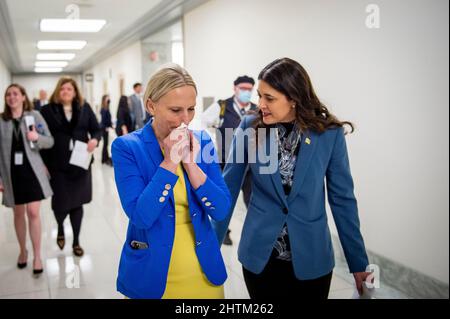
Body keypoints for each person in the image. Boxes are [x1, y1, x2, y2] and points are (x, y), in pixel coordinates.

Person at [213, 58, 371, 299]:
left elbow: (343, 200)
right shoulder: (250, 128)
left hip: (312, 258)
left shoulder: (328, 134)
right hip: (261, 258)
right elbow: (229, 188)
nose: (260, 104)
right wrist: (210, 245)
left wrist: (358, 261)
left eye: (270, 98)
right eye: (260, 95)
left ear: (294, 99)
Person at [112, 64, 231, 299]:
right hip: (153, 273)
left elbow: (221, 209)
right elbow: (141, 216)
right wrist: (169, 163)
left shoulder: (202, 142)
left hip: (202, 271)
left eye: (191, 109)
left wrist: (190, 164)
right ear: (151, 106)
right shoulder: (127, 148)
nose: (185, 119)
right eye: (176, 110)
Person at [40, 77, 102, 257]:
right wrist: (42, 163)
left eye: (69, 89)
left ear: (75, 92)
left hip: (80, 164)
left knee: (77, 203)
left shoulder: (84, 108)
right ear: (58, 92)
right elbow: (42, 137)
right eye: (63, 89)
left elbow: (96, 130)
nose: (66, 91)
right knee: (60, 205)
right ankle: (60, 227)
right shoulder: (47, 111)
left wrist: (94, 140)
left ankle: (76, 241)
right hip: (57, 165)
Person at [0, 84, 54, 275]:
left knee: (33, 212)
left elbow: (50, 141)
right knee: (18, 213)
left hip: (31, 172)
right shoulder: (2, 120)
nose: (12, 97)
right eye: (8, 94)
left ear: (23, 97)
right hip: (11, 174)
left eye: (15, 94)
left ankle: (37, 256)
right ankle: (23, 250)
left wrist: (36, 137)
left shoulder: (34, 116)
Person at [202, 75, 257, 245]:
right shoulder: (222, 106)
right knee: (224, 200)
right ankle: (221, 232)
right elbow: (203, 123)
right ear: (235, 88)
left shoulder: (257, 110)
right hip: (227, 164)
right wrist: (212, 144)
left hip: (252, 166)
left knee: (254, 202)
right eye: (243, 88)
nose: (246, 92)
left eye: (249, 89)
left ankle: (256, 234)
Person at [100, 94, 113, 166]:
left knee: (106, 144)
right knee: (105, 144)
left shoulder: (107, 108)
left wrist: (111, 125)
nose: (109, 100)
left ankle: (106, 158)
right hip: (104, 129)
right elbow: (104, 120)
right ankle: (104, 159)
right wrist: (106, 127)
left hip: (106, 128)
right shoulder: (103, 109)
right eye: (107, 98)